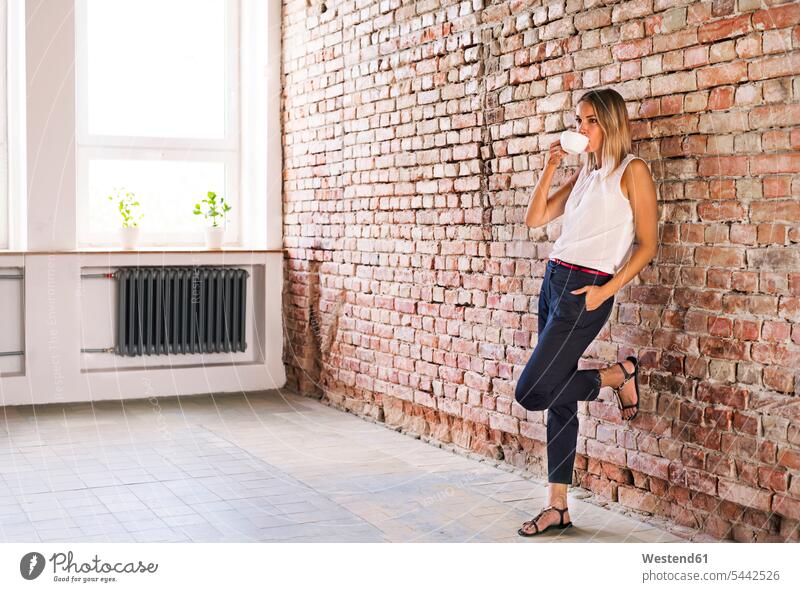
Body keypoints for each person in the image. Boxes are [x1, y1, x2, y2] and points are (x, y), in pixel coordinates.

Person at [514, 88, 659, 537]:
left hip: (587, 289)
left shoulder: (632, 172)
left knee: (533, 391)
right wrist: (552, 165)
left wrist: (606, 291)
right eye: (579, 120)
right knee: (557, 399)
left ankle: (616, 377)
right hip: (554, 281)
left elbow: (647, 245)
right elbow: (536, 219)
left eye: (589, 121)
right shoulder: (586, 174)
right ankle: (558, 506)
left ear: (612, 123)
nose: (581, 129)